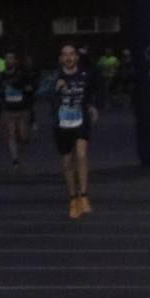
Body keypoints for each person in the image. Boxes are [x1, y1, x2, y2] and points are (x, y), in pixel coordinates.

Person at [54, 43, 100, 218]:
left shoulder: (86, 74)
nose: (68, 57)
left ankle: (84, 195)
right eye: (65, 54)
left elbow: (95, 91)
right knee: (67, 162)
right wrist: (54, 88)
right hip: (62, 124)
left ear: (77, 57)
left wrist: (93, 105)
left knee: (81, 154)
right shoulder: (55, 76)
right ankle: (73, 198)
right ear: (60, 58)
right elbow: (39, 93)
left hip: (81, 121)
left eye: (72, 54)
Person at [0, 51, 35, 167]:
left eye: (11, 59)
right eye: (7, 59)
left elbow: (30, 88)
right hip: (8, 109)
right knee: (10, 133)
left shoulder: (22, 74)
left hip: (22, 108)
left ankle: (20, 138)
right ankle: (15, 159)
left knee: (23, 136)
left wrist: (25, 88)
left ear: (15, 61)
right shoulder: (1, 75)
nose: (9, 61)